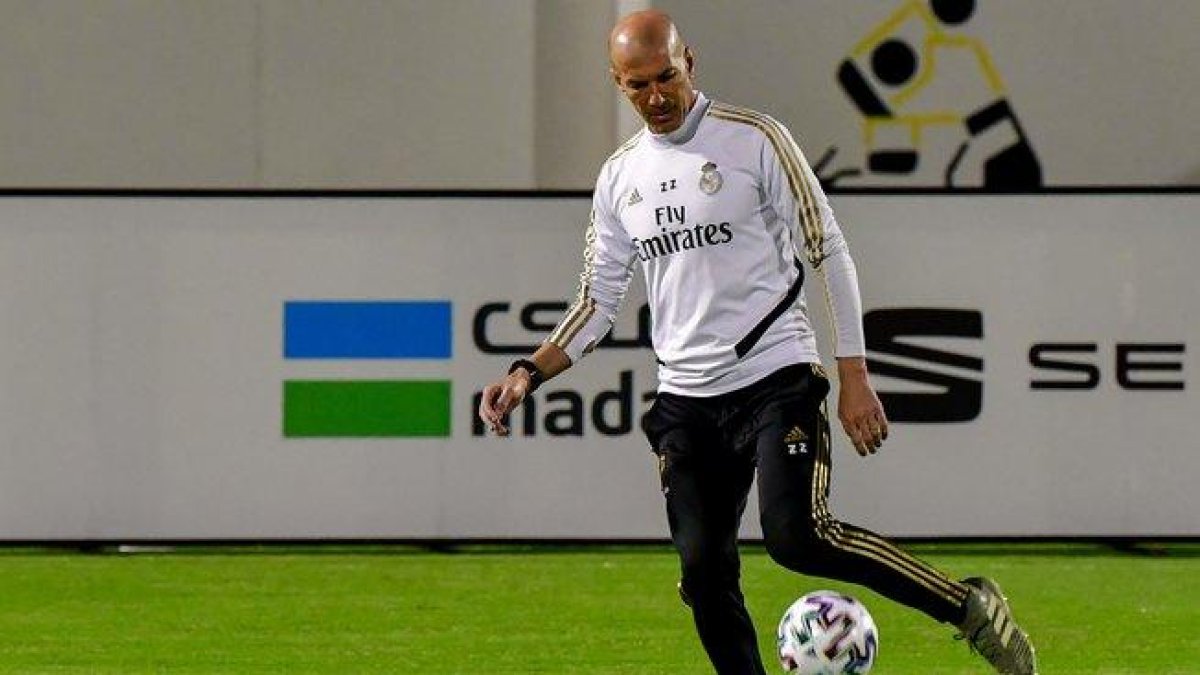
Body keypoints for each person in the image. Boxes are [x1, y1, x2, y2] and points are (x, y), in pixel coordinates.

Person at [478, 10, 1037, 675]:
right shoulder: (618, 179)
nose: (655, 97)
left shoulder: (756, 140)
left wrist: (853, 371)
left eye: (665, 77)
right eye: (636, 86)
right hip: (686, 400)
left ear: (691, 62)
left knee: (798, 535)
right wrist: (526, 371)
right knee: (703, 573)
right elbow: (597, 303)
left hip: (777, 378)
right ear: (616, 83)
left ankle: (966, 603)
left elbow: (827, 248)